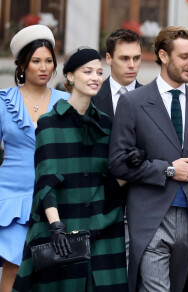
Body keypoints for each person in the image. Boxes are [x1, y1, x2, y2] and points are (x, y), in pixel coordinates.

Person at [108, 26, 188, 292]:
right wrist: (168, 170)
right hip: (149, 219)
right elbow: (117, 161)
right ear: (163, 55)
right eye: (184, 56)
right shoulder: (133, 103)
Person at [12, 47, 135, 291]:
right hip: (63, 227)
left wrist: (130, 166)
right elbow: (46, 181)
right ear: (70, 76)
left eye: (99, 72)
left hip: (104, 227)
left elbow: (110, 180)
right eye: (87, 71)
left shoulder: (107, 124)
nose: (95, 77)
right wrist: (56, 227)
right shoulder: (49, 124)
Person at [0, 24, 70, 292]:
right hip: (12, 199)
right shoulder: (4, 101)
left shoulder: (67, 102)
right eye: (35, 61)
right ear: (21, 65)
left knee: (51, 273)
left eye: (49, 61)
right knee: (15, 266)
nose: (43, 67)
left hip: (55, 199)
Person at [92, 28, 142, 119]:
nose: (132, 65)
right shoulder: (91, 97)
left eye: (136, 58)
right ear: (109, 58)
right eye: (124, 58)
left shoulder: (154, 98)